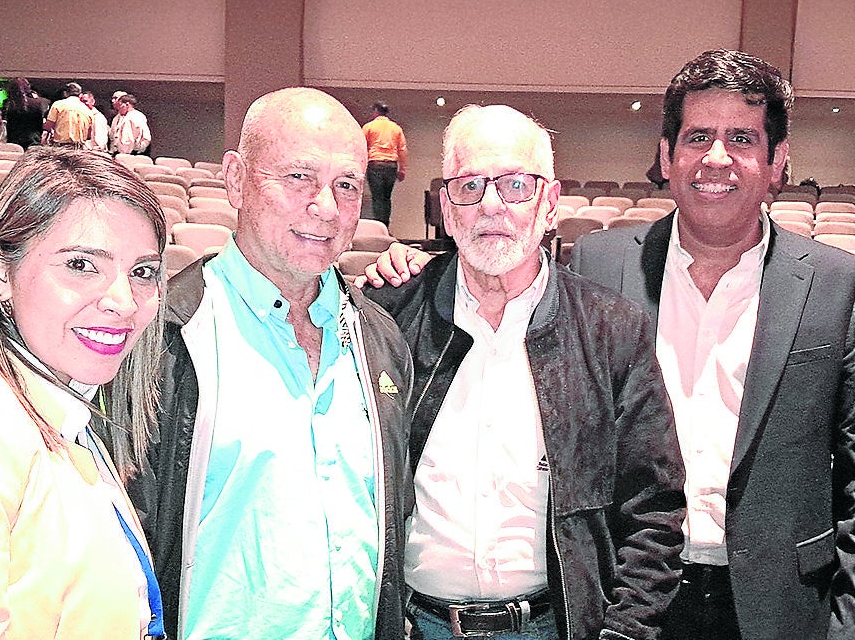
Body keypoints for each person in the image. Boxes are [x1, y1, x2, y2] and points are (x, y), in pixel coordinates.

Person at [362, 104, 685, 639]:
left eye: (516, 184)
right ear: (445, 206)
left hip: (555, 626)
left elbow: (655, 511)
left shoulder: (614, 331)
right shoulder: (388, 318)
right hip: (415, 624)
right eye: (470, 186)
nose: (492, 206)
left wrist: (625, 632)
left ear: (550, 202)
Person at [570, 50, 855, 639]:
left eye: (742, 139)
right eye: (698, 136)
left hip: (782, 612)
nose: (716, 158)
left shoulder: (837, 286)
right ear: (666, 156)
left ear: (777, 163)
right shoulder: (598, 266)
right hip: (628, 601)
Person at [128, 87, 414, 639]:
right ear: (235, 179)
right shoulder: (160, 336)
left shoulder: (381, 340)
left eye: (346, 185)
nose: (325, 208)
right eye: (299, 177)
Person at [0, 148, 168, 638]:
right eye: (82, 264)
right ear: (1, 273)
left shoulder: (64, 409)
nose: (125, 302)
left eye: (143, 272)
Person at [362, 101, 407, 226]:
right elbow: (402, 149)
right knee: (386, 198)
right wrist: (402, 169)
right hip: (391, 165)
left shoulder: (369, 127)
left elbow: (362, 147)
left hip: (375, 163)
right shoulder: (395, 128)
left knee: (377, 197)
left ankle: (379, 226)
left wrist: (360, 166)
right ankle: (385, 225)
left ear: (375, 112)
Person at [41, 81, 92, 147]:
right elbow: (89, 134)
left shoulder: (58, 105)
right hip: (80, 148)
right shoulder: (87, 110)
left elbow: (48, 126)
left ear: (65, 93)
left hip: (62, 146)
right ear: (80, 95)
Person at [3, 77, 44, 149]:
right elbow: (39, 124)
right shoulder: (36, 103)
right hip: (33, 140)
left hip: (14, 141)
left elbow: (8, 126)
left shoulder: (8, 104)